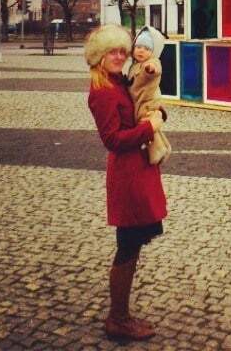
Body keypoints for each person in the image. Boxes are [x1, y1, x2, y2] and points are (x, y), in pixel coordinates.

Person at [85, 24, 167, 342]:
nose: (120, 56)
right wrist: (150, 128)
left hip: (139, 169)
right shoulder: (101, 91)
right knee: (127, 245)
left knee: (132, 244)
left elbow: (142, 101)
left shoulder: (119, 80)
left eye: (122, 50)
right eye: (112, 52)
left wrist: (158, 112)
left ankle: (122, 315)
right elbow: (113, 140)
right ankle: (117, 318)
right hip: (127, 175)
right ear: (99, 56)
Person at [127, 26, 171, 165]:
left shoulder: (151, 63)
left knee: (146, 127)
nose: (141, 50)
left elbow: (155, 69)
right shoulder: (134, 65)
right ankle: (162, 148)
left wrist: (150, 69)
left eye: (146, 49)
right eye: (138, 47)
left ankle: (157, 152)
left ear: (152, 52)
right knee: (151, 130)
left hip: (147, 103)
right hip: (140, 103)